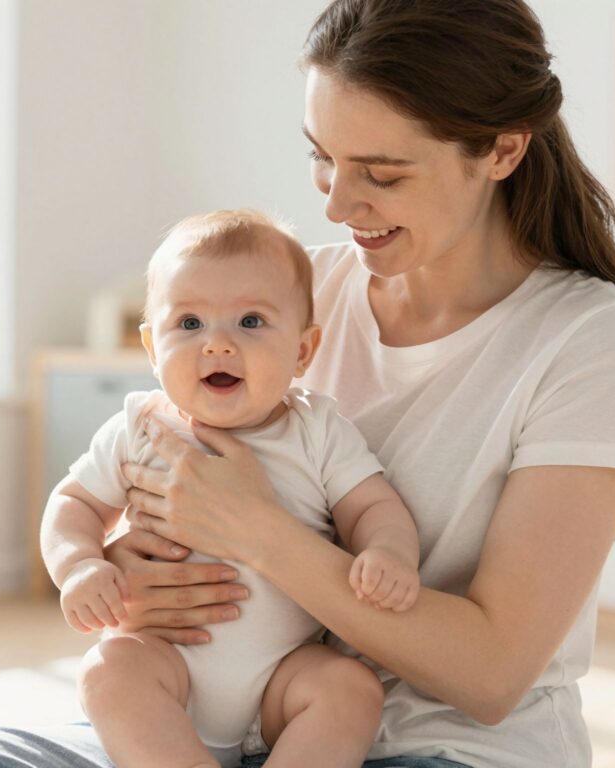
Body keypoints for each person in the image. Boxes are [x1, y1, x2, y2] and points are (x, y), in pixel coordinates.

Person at [0, 0, 615, 766]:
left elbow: (493, 674)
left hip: (441, 744)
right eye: (323, 158)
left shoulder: (590, 336)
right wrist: (126, 566)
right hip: (215, 722)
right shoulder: (283, 295)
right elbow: (122, 497)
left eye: (382, 173)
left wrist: (257, 533)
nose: (336, 204)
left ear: (502, 149)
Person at [40, 208, 421, 768]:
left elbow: (372, 507)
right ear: (152, 348)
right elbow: (73, 502)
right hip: (169, 668)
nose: (216, 345)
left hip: (282, 680)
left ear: (302, 351)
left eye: (250, 322)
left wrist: (389, 552)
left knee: (351, 689)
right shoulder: (139, 427)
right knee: (108, 670)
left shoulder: (316, 430)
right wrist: (79, 565)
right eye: (189, 324)